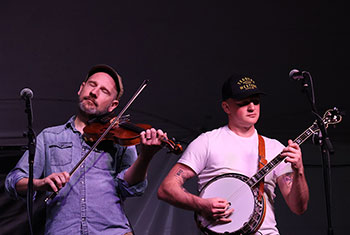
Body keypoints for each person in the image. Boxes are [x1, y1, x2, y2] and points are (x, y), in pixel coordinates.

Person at [6, 64, 166, 235]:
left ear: (113, 105)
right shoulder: (49, 136)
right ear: (81, 88)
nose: (94, 92)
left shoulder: (119, 137)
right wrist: (41, 183)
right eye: (92, 84)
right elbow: (14, 181)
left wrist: (146, 157)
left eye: (104, 91)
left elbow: (131, 187)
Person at [157, 74, 309, 234]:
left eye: (256, 102)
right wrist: (202, 205)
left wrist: (299, 170)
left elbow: (298, 208)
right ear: (226, 107)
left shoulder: (275, 148)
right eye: (243, 103)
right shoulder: (207, 141)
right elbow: (167, 188)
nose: (252, 108)